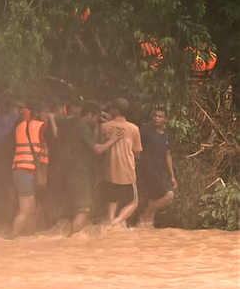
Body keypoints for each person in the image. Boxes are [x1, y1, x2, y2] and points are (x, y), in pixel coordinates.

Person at [49, 101, 124, 236]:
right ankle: (70, 242)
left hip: (69, 172)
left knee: (79, 210)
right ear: (89, 115)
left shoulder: (72, 121)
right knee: (83, 211)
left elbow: (53, 117)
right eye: (95, 118)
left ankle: (70, 239)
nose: (96, 121)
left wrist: (98, 123)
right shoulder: (81, 126)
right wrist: (112, 140)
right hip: (79, 174)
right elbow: (98, 149)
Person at [99, 98, 142, 227]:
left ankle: (109, 225)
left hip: (110, 172)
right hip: (127, 172)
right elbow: (137, 150)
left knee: (112, 204)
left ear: (115, 110)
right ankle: (116, 223)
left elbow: (101, 145)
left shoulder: (104, 127)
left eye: (111, 108)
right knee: (134, 202)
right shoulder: (133, 129)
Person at [9, 102, 49, 238]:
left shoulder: (20, 126)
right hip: (27, 171)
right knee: (25, 210)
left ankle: (28, 237)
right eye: (46, 112)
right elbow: (54, 135)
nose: (48, 115)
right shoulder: (42, 127)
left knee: (31, 206)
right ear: (37, 114)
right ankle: (12, 238)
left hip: (18, 170)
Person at [138, 107, 176, 227]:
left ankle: (145, 226)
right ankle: (146, 214)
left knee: (153, 198)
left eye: (160, 116)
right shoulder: (145, 132)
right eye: (155, 116)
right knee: (169, 195)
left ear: (165, 119)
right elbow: (134, 145)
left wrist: (172, 176)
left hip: (159, 171)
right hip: (148, 170)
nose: (157, 118)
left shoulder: (165, 136)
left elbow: (168, 156)